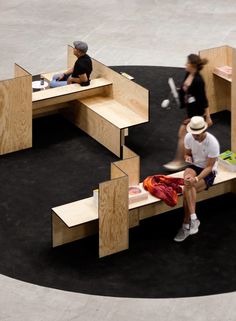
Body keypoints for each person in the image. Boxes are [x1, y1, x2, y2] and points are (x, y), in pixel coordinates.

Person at [163, 53, 213, 171]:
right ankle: (192, 159)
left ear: (193, 66)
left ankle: (179, 161)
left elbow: (203, 99)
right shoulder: (188, 74)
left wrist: (208, 117)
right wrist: (179, 91)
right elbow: (186, 89)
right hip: (190, 111)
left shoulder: (198, 81)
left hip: (197, 113)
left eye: (187, 63)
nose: (185, 64)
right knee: (194, 137)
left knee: (182, 134)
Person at [174, 116, 220, 242]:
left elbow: (210, 167)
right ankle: (194, 219)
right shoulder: (189, 137)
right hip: (195, 166)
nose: (195, 137)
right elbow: (187, 154)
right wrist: (187, 157)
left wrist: (197, 178)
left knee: (187, 188)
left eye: (198, 135)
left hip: (207, 171)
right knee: (188, 181)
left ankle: (186, 223)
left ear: (204, 131)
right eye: (193, 134)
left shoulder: (213, 143)